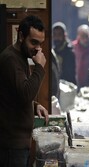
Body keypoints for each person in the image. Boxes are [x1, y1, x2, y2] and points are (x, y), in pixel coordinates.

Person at [0, 15, 49, 167]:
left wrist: (35, 106)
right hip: (11, 145)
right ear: (21, 36)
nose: (38, 48)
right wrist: (40, 68)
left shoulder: (21, 57)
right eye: (33, 42)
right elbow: (25, 94)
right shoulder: (10, 59)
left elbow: (15, 93)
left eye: (40, 44)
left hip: (18, 143)